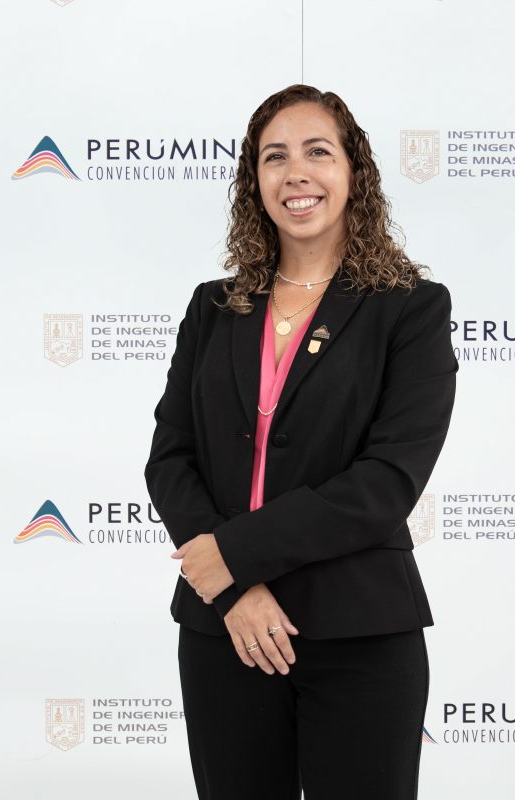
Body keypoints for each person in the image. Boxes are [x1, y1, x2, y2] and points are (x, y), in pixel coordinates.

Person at [144, 84, 457, 800]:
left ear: (354, 172)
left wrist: (232, 556)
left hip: (359, 630)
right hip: (225, 630)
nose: (296, 173)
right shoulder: (212, 307)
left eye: (318, 152)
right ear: (253, 181)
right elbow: (170, 457)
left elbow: (386, 482)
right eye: (274, 157)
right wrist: (233, 589)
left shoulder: (410, 308)